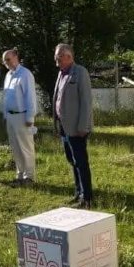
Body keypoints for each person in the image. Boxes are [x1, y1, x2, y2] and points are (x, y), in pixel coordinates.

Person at [52, 43, 93, 208]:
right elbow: (58, 99)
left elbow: (86, 101)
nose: (56, 60)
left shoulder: (80, 72)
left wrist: (83, 125)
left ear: (69, 56)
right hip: (64, 126)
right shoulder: (61, 73)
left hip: (77, 127)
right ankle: (78, 192)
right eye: (56, 56)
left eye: (59, 56)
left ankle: (87, 197)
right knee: (72, 160)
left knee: (81, 161)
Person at [2, 48, 37, 186]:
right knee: (15, 147)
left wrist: (30, 118)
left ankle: (29, 176)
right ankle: (20, 174)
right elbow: (6, 97)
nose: (6, 63)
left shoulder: (25, 74)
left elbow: (30, 98)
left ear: (16, 56)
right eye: (4, 61)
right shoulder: (8, 75)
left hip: (22, 116)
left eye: (8, 59)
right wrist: (5, 114)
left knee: (26, 147)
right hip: (10, 116)